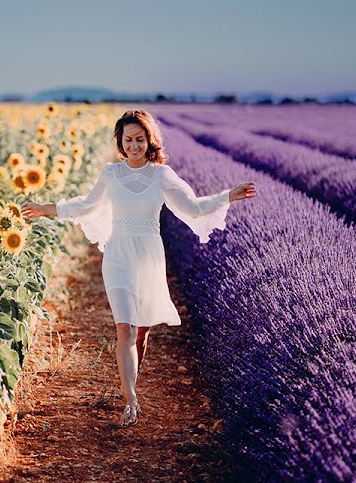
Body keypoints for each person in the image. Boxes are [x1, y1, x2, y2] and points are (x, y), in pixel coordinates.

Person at [21, 109, 256, 427]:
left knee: (141, 331)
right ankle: (130, 400)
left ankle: (129, 381)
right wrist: (46, 207)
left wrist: (228, 196)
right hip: (117, 255)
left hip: (148, 257)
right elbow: (87, 205)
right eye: (128, 139)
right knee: (126, 328)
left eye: (140, 139)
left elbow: (194, 207)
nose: (134, 145)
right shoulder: (111, 173)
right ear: (120, 142)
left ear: (150, 141)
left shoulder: (161, 176)